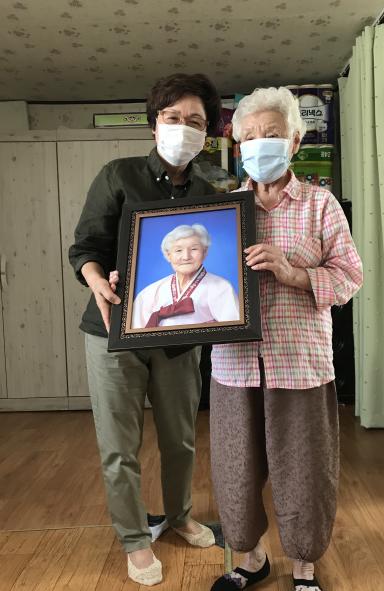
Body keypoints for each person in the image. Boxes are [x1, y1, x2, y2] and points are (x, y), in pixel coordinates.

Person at [69, 72, 221, 587]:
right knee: (119, 444)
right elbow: (86, 248)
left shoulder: (210, 192)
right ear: (154, 124)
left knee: (181, 437)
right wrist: (98, 282)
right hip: (112, 330)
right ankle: (135, 539)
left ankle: (180, 515)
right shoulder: (118, 175)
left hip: (180, 337)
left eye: (195, 121)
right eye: (173, 117)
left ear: (208, 133)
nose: (183, 127)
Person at [209, 87, 363, 591]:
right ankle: (251, 559)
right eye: (250, 136)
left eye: (272, 134)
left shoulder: (321, 205)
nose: (260, 143)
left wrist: (295, 274)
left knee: (305, 470)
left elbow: (350, 276)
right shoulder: (222, 210)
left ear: (295, 141)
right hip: (234, 365)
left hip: (301, 363)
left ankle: (304, 566)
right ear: (238, 147)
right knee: (235, 469)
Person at [130, 223, 240, 328]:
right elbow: (134, 334)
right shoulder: (149, 293)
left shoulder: (221, 288)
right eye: (178, 250)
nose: (186, 257)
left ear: (205, 252)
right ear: (168, 255)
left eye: (194, 249)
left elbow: (235, 331)